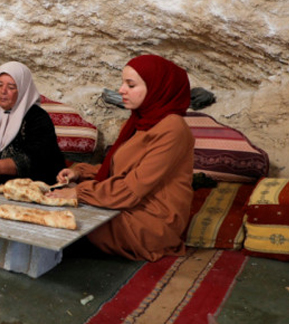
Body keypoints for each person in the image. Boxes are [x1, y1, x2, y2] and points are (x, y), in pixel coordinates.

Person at [47, 54, 194, 262]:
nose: (121, 90)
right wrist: (79, 172)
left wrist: (77, 193)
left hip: (150, 219)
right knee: (54, 205)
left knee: (64, 216)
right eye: (123, 83)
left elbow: (130, 190)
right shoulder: (141, 121)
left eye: (131, 85)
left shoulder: (173, 129)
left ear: (156, 88)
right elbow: (120, 170)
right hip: (130, 204)